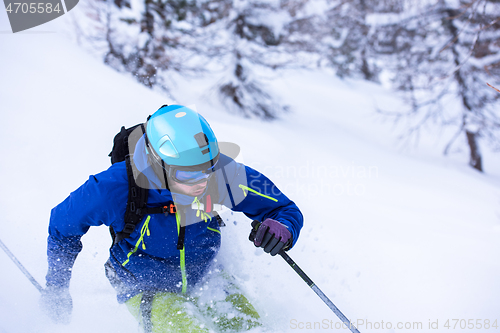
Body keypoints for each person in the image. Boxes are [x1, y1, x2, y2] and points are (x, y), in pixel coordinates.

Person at [41, 105, 303, 332]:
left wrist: (282, 227)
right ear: (159, 164)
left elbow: (284, 209)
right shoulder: (114, 186)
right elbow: (62, 226)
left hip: (207, 274)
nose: (202, 182)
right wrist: (57, 287)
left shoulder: (220, 172)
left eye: (208, 169)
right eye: (188, 175)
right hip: (144, 285)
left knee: (251, 330)